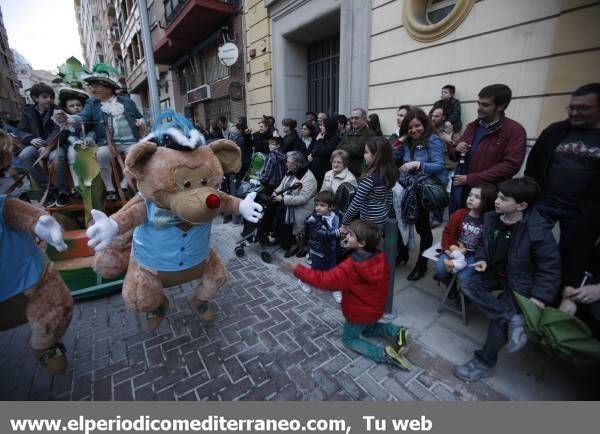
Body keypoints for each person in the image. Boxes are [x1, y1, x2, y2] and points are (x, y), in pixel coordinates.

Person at [454, 177, 560, 382]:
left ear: (521, 205)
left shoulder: (538, 229)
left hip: (520, 283)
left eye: (503, 198)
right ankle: (513, 319)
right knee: (466, 282)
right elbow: (485, 245)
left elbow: (550, 268)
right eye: (498, 196)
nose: (496, 200)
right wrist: (483, 259)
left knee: (497, 323)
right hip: (494, 273)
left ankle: (484, 362)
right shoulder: (492, 218)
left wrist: (539, 298)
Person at [281, 219, 412, 370]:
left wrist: (298, 270)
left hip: (359, 312)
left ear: (361, 243)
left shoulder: (351, 266)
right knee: (368, 329)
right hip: (375, 308)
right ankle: (398, 331)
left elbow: (325, 280)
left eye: (350, 235)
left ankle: (383, 355)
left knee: (349, 338)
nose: (346, 237)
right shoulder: (379, 257)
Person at [525, 83, 600, 254]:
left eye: (583, 108)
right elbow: (534, 162)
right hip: (544, 202)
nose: (574, 113)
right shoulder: (555, 130)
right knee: (528, 244)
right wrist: (532, 192)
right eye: (571, 107)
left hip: (582, 211)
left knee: (573, 254)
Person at [54, 64, 145, 201]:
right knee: (102, 154)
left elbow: (139, 117)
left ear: (109, 87)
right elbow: (82, 118)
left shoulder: (127, 102)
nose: (93, 89)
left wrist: (141, 122)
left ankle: (124, 185)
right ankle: (110, 189)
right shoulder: (92, 104)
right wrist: (68, 118)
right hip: (107, 143)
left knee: (136, 156)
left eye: (96, 85)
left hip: (131, 141)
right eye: (91, 86)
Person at [448, 84, 526, 213]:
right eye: (478, 103)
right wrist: (457, 149)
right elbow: (453, 154)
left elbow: (510, 166)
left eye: (485, 105)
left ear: (500, 106)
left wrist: (472, 178)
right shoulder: (473, 126)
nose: (479, 108)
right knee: (458, 226)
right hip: (461, 191)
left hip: (488, 196)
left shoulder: (514, 131)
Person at [394, 108, 445, 280]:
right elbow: (391, 156)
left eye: (417, 126)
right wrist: (400, 140)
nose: (414, 130)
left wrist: (418, 164)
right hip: (405, 188)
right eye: (410, 127)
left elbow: (439, 166)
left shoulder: (433, 140)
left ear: (424, 124)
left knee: (423, 228)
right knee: (403, 223)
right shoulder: (408, 141)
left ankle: (421, 265)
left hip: (421, 191)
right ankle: (402, 254)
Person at [435, 183, 497, 290]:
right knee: (440, 269)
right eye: (470, 195)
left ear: (487, 201)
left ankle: (465, 296)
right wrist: (446, 249)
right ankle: (450, 287)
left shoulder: (488, 221)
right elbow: (447, 232)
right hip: (454, 250)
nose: (471, 199)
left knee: (463, 277)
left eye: (477, 197)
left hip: (473, 255)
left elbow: (487, 243)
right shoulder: (459, 214)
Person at [16, 83, 68, 207]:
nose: (49, 100)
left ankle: (63, 192)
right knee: (24, 155)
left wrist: (47, 145)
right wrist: (30, 139)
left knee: (56, 157)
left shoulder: (57, 111)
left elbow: (60, 130)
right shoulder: (27, 112)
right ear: (35, 98)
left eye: (50, 97)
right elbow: (21, 130)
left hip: (55, 144)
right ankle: (49, 189)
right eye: (45, 97)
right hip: (36, 145)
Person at [342, 136, 396, 231]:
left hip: (368, 222)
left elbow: (355, 204)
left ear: (376, 156)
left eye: (366, 152)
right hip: (382, 218)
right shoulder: (387, 174)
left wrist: (344, 222)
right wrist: (385, 213)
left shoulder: (369, 179)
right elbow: (389, 197)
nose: (364, 155)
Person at [272, 151, 317, 257]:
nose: (286, 164)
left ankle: (295, 245)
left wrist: (283, 199)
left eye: (288, 162)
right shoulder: (291, 171)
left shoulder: (309, 178)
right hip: (288, 202)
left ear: (296, 164)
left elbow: (303, 198)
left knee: (292, 224)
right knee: (277, 214)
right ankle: (281, 238)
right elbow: (283, 185)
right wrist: (276, 192)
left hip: (303, 207)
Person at [300, 190, 342, 302]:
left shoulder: (336, 217)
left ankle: (335, 288)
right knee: (316, 271)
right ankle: (303, 281)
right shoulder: (313, 220)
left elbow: (337, 231)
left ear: (331, 207)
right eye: (317, 205)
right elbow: (321, 234)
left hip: (331, 251)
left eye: (322, 205)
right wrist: (337, 233)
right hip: (317, 251)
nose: (318, 208)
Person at [430, 106, 459, 227]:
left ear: (443, 117)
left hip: (446, 167)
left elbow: (457, 150)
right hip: (431, 164)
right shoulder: (430, 130)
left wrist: (449, 139)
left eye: (437, 116)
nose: (433, 118)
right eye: (432, 115)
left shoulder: (453, 132)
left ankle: (438, 218)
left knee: (440, 192)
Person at [58, 88, 89, 196]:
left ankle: (89, 183)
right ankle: (77, 185)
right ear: (66, 108)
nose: (76, 108)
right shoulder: (68, 121)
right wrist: (75, 142)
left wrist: (88, 140)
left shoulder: (87, 117)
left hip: (89, 142)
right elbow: (69, 134)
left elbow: (93, 130)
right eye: (72, 106)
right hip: (74, 144)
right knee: (72, 155)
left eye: (78, 105)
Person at [337, 107, 377, 178]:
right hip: (345, 171)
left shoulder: (370, 134)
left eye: (356, 118)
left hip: (358, 173)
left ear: (364, 119)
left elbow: (357, 151)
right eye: (352, 118)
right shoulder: (348, 133)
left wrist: (345, 147)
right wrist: (351, 148)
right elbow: (338, 147)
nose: (353, 121)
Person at [309, 117, 341, 189]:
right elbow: (315, 150)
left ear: (329, 127)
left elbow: (325, 152)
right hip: (316, 171)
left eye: (323, 126)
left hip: (325, 171)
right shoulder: (324, 136)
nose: (321, 127)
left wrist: (319, 140)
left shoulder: (335, 139)